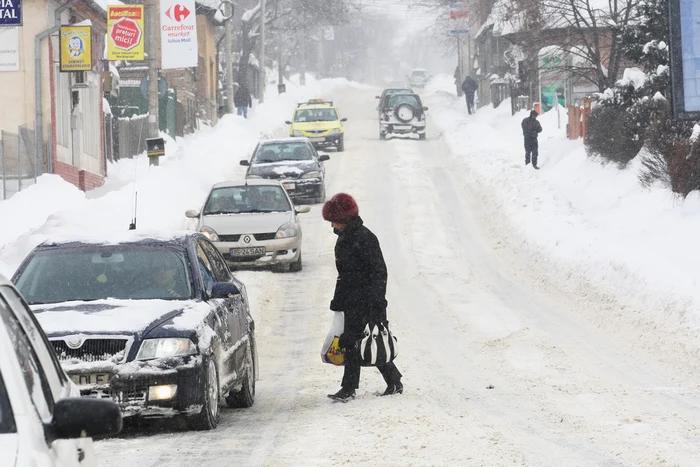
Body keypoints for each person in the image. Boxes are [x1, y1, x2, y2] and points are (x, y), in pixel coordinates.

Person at [322, 193, 403, 402]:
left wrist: (377, 303)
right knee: (356, 342)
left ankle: (351, 388)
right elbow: (344, 276)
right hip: (351, 300)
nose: (332, 224)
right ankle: (391, 381)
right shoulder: (345, 238)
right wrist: (338, 302)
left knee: (369, 340)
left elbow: (379, 272)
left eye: (335, 220)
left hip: (366, 300)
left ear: (345, 219)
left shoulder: (364, 238)